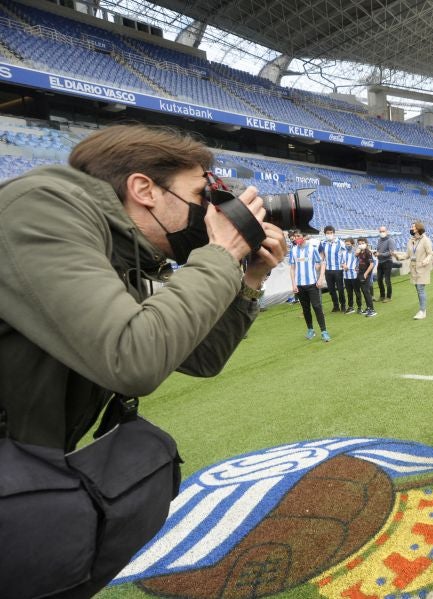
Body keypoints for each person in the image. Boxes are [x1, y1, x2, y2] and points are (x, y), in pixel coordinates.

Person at [0, 124, 286, 595]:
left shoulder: (121, 252)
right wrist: (220, 253)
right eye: (200, 196)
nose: (209, 212)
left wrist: (249, 277)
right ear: (144, 189)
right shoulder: (40, 207)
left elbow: (199, 357)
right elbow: (133, 359)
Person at [289, 231, 330, 342]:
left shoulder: (312, 248)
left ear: (304, 237)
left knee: (317, 307)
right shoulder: (293, 250)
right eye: (295, 237)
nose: (296, 238)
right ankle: (310, 330)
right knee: (305, 309)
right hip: (299, 285)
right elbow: (292, 268)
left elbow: (322, 263)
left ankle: (324, 331)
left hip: (312, 284)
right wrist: (293, 284)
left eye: (298, 236)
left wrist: (320, 278)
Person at [392, 221, 433, 320]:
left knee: (420, 289)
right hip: (413, 268)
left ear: (418, 229)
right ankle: (422, 309)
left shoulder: (425, 240)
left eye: (413, 227)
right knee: (418, 290)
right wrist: (397, 256)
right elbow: (408, 255)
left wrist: (426, 260)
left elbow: (430, 253)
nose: (411, 228)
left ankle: (422, 311)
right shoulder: (410, 241)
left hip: (422, 267)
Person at [319, 224, 346, 313]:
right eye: (327, 233)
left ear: (334, 233)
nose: (329, 234)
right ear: (325, 234)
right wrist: (320, 264)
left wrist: (344, 264)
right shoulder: (322, 243)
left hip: (338, 269)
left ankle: (343, 305)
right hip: (328, 270)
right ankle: (336, 306)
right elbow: (322, 255)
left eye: (331, 232)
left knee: (340, 289)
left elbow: (344, 255)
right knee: (331, 289)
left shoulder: (340, 243)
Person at [356, 237, 377, 317]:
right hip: (360, 273)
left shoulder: (368, 252)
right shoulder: (360, 252)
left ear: (366, 243)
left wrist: (366, 273)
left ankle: (372, 309)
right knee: (363, 291)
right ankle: (368, 308)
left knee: (366, 291)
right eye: (359, 244)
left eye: (362, 243)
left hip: (366, 274)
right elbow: (358, 258)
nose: (361, 245)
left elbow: (371, 265)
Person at [375, 225, 396, 302]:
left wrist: (380, 254)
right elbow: (379, 250)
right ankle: (382, 295)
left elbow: (391, 252)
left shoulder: (390, 240)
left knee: (387, 280)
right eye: (380, 231)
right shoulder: (379, 240)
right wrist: (376, 253)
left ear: (386, 231)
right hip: (380, 262)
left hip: (387, 262)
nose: (382, 233)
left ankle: (389, 297)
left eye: (383, 231)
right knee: (379, 279)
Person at [341, 236, 361, 314]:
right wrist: (343, 265)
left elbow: (360, 262)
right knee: (349, 292)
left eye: (348, 244)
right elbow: (341, 262)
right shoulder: (343, 252)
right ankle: (350, 307)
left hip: (354, 275)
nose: (347, 246)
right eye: (346, 244)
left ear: (352, 244)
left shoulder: (356, 252)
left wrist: (357, 268)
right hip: (346, 275)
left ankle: (359, 307)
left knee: (357, 292)